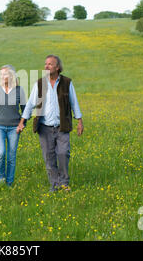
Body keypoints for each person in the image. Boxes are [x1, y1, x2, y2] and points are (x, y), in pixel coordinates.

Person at [17, 55, 83, 192]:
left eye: (50, 64)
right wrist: (22, 122)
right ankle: (54, 184)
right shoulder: (40, 84)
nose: (46, 66)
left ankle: (64, 182)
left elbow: (74, 103)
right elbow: (30, 104)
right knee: (49, 157)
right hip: (44, 127)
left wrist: (79, 122)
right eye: (45, 64)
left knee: (63, 153)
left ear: (57, 67)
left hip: (62, 126)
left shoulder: (67, 83)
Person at [0, 65, 26, 187]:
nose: (2, 77)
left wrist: (22, 124)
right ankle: (1, 178)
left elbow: (25, 111)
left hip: (14, 128)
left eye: (5, 74)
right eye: (1, 75)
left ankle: (9, 183)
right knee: (0, 153)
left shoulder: (20, 90)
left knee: (11, 156)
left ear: (11, 75)